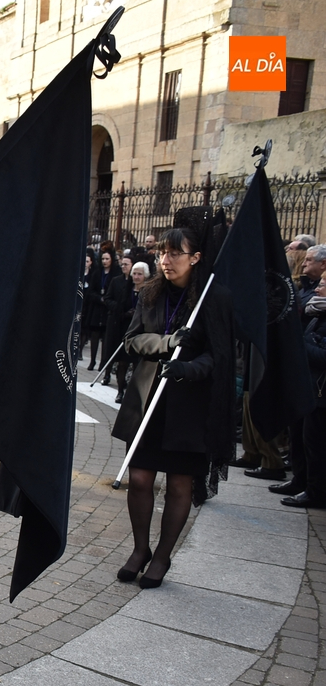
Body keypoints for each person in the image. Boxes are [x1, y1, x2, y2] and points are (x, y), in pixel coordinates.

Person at [112, 212, 234, 589]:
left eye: (175, 253)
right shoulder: (151, 293)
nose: (166, 260)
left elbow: (221, 356)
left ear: (195, 257)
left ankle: (162, 557)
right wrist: (166, 343)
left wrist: (189, 368)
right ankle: (140, 549)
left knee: (180, 484)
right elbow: (131, 340)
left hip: (190, 407)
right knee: (140, 478)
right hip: (149, 400)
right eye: (162, 253)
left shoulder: (213, 297)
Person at [277, 279, 326, 508]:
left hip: (321, 392)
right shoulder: (316, 312)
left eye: (323, 284)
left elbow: (321, 355)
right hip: (307, 387)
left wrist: (303, 343)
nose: (317, 288)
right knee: (301, 439)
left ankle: (315, 492)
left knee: (315, 446)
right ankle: (301, 481)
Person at [102, 258, 142, 395]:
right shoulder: (122, 285)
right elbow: (112, 300)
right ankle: (119, 390)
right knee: (122, 361)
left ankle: (132, 392)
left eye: (139, 274)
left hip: (139, 330)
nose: (136, 276)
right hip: (122, 326)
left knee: (136, 363)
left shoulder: (147, 291)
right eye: (135, 274)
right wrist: (123, 312)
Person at [83, 248, 122, 371]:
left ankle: (103, 362)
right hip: (97, 307)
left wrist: (107, 300)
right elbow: (91, 291)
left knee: (105, 338)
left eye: (107, 259)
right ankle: (92, 360)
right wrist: (99, 298)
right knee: (94, 336)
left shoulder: (116, 274)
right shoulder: (97, 273)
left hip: (107, 309)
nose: (105, 261)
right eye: (103, 259)